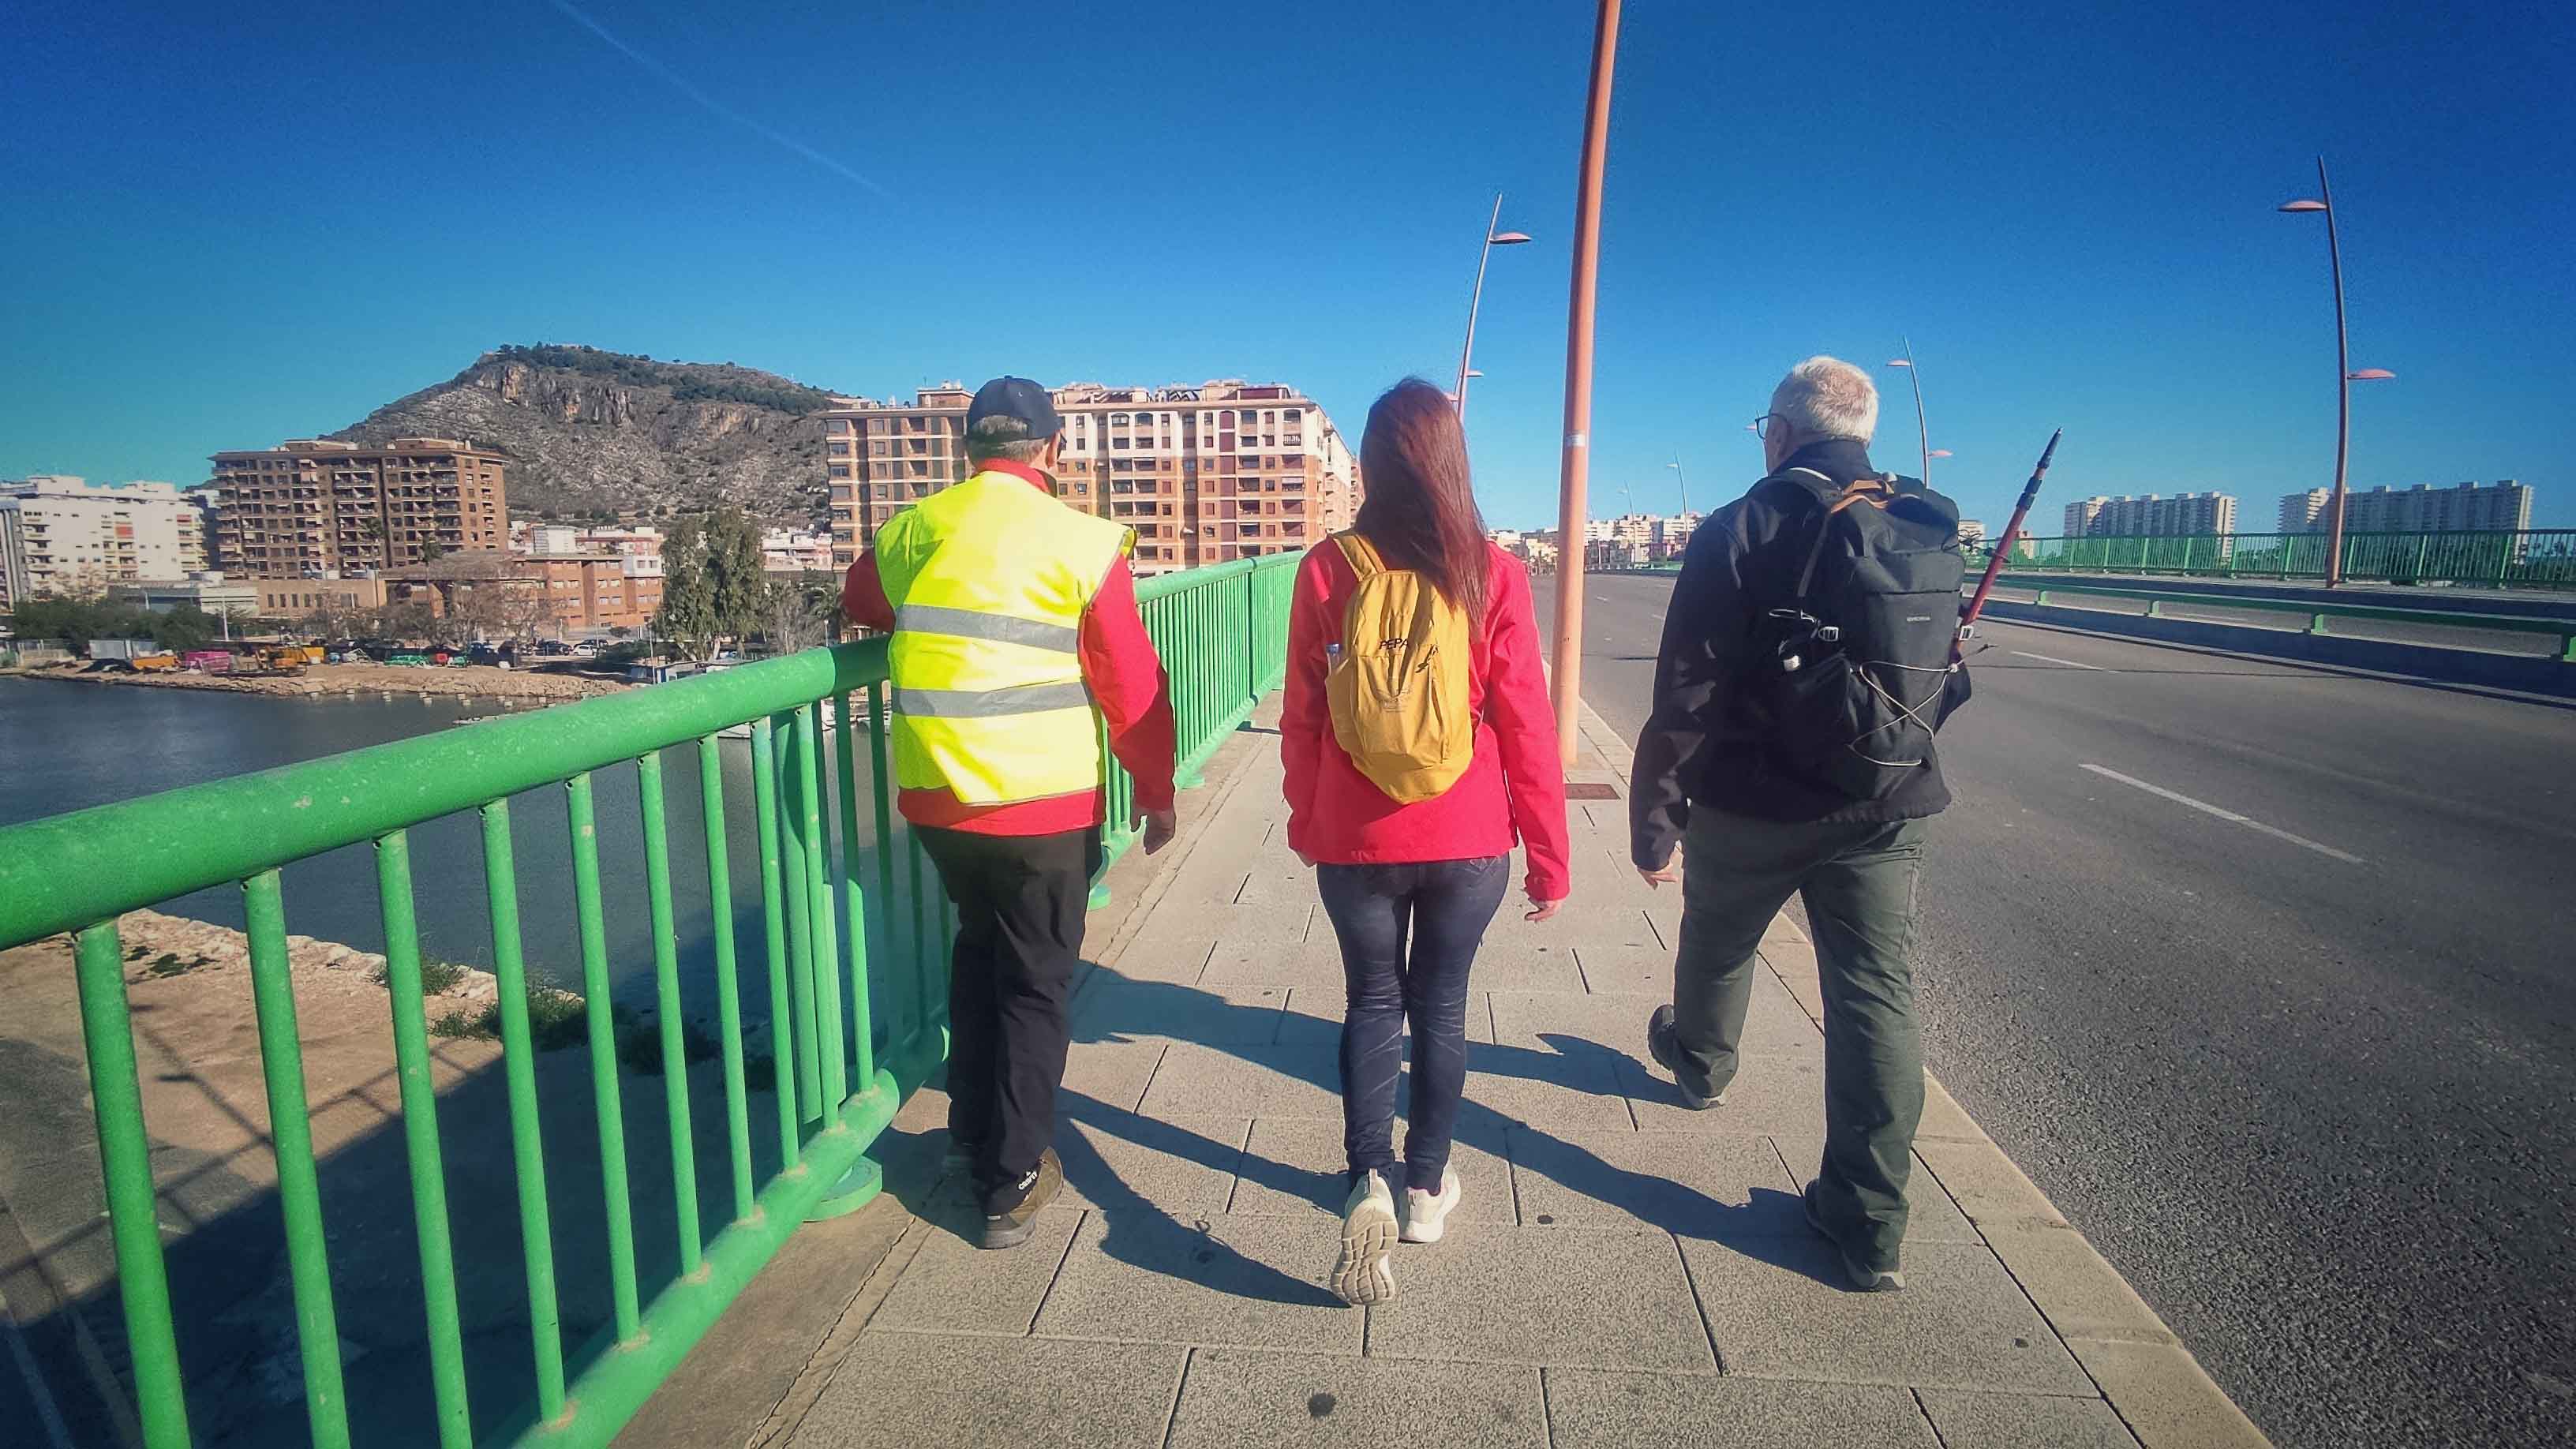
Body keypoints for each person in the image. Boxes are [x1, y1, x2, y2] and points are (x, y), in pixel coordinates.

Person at [1630, 356, 1970, 1292]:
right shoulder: (1918, 518)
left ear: (1779, 432)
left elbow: (1687, 692)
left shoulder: (1745, 523)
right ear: (1860, 431)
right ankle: (1867, 1226)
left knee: (1720, 939)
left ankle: (1701, 1063)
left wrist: (1655, 820)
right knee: (1874, 994)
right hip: (1887, 798)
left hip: (1754, 803)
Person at [841, 376, 1178, 1250]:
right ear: (1053, 451)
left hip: (939, 803)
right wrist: (1156, 790)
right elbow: (1131, 686)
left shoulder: (917, 527)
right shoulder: (1083, 540)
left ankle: (965, 1140)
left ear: (966, 450)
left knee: (978, 952)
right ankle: (1012, 1179)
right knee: (1035, 988)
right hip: (1042, 810)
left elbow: (862, 601)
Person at [1281, 377, 1571, 1305]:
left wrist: (1306, 815)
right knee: (1440, 1012)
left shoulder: (1327, 568)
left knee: (1372, 1002)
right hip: (1468, 836)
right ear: (1454, 461)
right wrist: (1549, 857)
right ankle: (1424, 1189)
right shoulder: (1493, 569)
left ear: (1368, 462)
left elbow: (1301, 719)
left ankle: (1364, 1174)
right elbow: (1526, 722)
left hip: (1355, 838)